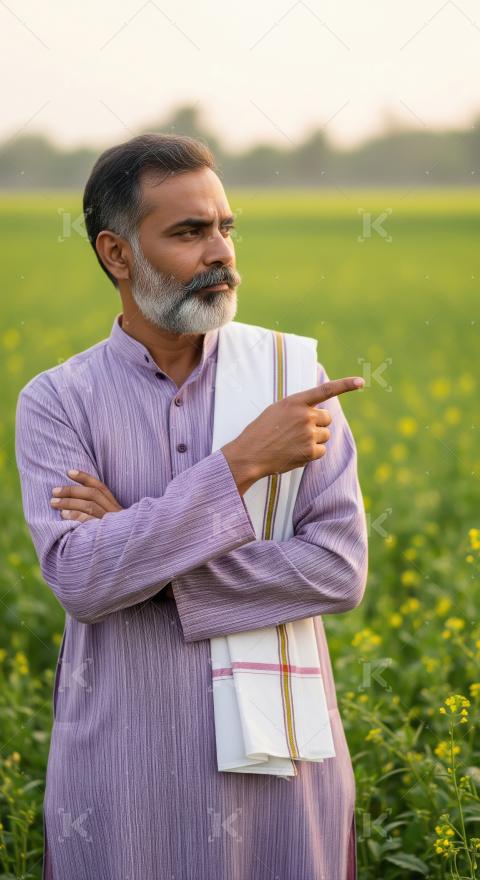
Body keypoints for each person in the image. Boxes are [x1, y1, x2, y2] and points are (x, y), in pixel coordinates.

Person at [15, 133, 368, 880]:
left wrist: (139, 552)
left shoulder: (290, 378)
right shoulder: (57, 402)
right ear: (117, 254)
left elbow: (338, 569)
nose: (221, 253)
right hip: (122, 771)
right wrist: (241, 465)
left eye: (226, 228)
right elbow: (80, 581)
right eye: (188, 232)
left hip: (282, 770)